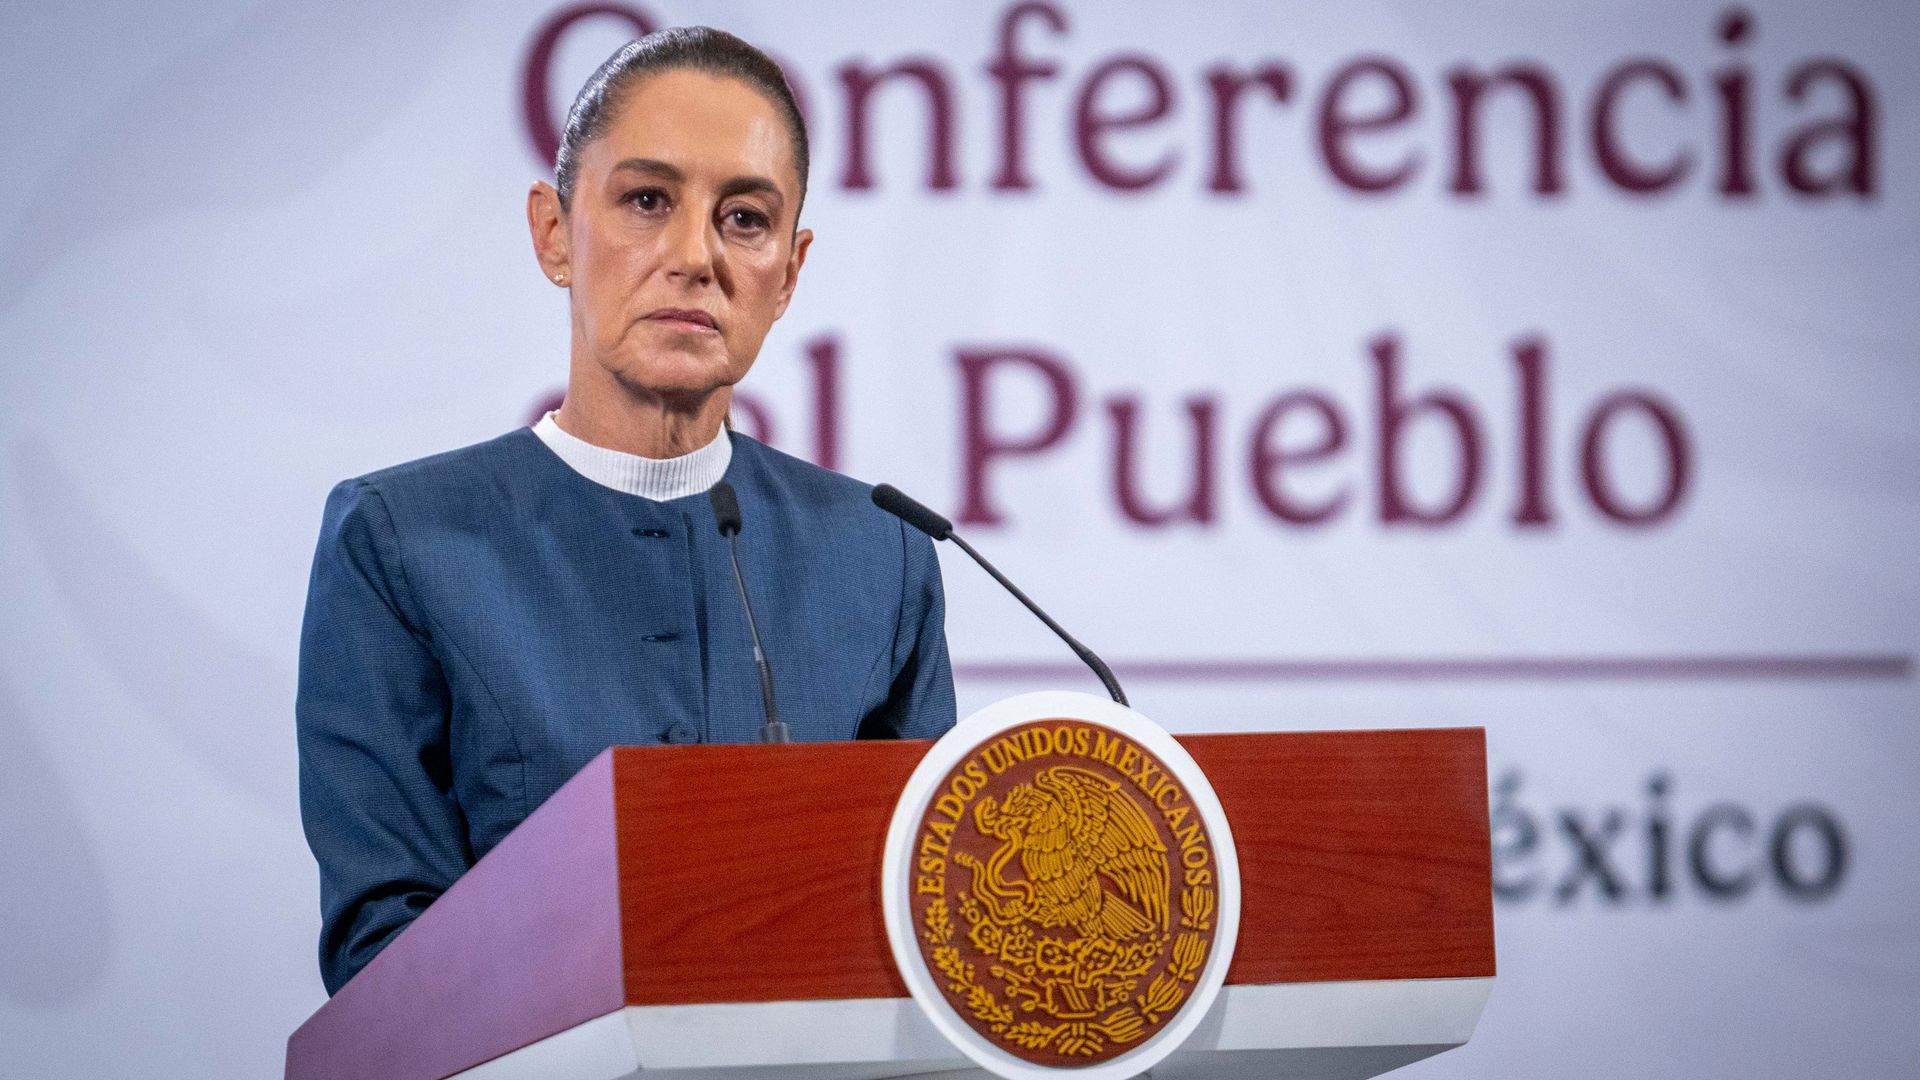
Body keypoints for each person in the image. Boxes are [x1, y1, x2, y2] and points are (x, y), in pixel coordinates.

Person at [295, 27, 956, 996]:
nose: (694, 257)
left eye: (744, 218)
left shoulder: (881, 553)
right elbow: (381, 952)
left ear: (791, 271)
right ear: (555, 233)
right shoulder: (403, 542)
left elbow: (929, 923)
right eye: (648, 201)